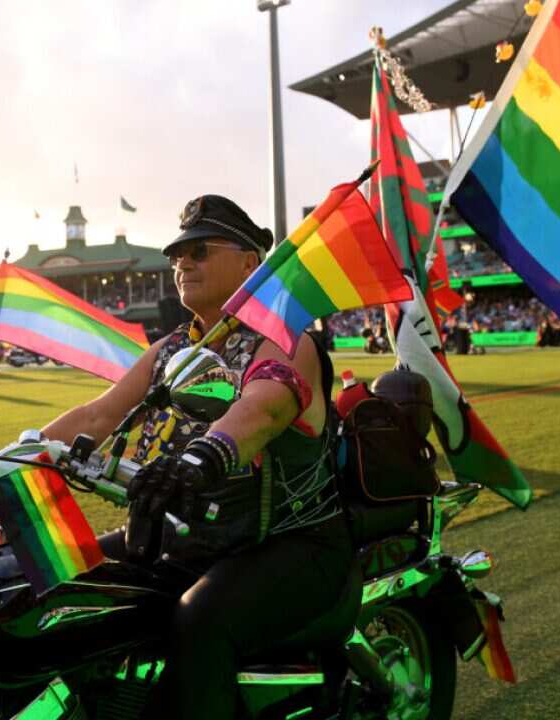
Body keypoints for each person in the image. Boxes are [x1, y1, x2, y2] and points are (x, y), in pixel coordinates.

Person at [40, 195, 351, 719]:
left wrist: (201, 456)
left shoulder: (283, 338)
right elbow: (98, 417)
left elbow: (266, 407)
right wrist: (6, 458)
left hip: (289, 541)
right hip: (191, 537)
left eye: (200, 250)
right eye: (177, 254)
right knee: (63, 581)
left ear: (251, 263)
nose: (183, 262)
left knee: (199, 619)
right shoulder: (171, 350)